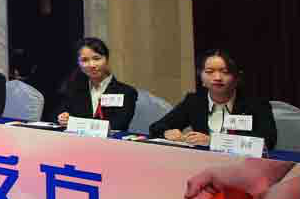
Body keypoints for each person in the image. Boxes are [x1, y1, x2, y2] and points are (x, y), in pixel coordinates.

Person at [150, 48, 278, 149]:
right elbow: (156, 127)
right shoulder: (194, 101)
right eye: (210, 72)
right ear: (201, 77)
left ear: (236, 78)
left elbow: (267, 142)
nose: (217, 78)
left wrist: (213, 141)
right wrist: (167, 132)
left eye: (225, 72)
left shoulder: (256, 103)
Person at [55, 36, 139, 133]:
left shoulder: (127, 92)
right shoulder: (73, 89)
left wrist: (78, 123)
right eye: (84, 60)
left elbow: (119, 125)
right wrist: (63, 118)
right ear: (78, 63)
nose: (92, 65)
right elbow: (56, 115)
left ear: (107, 59)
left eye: (96, 58)